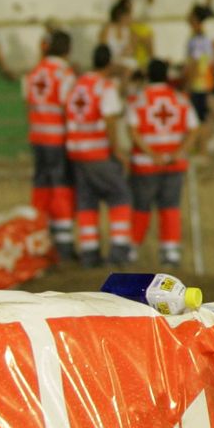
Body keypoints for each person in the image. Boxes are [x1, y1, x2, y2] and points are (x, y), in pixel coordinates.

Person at [126, 58, 201, 267]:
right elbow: (194, 129)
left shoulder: (139, 99)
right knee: (170, 207)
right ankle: (170, 253)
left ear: (148, 75)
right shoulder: (180, 99)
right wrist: (179, 152)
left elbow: (133, 131)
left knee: (141, 207)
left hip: (145, 165)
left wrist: (151, 154)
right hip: (174, 164)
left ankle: (132, 249)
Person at [66, 44, 135, 267]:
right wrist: (117, 151)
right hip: (97, 152)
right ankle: (118, 252)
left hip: (76, 152)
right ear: (109, 63)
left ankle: (89, 254)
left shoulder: (78, 84)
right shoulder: (105, 87)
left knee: (86, 202)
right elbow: (110, 120)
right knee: (120, 196)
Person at [24, 29, 78, 259]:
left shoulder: (35, 72)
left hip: (38, 137)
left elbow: (28, 102)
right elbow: (69, 107)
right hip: (58, 138)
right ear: (67, 50)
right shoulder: (64, 73)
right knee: (61, 187)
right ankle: (63, 244)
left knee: (41, 187)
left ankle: (38, 236)